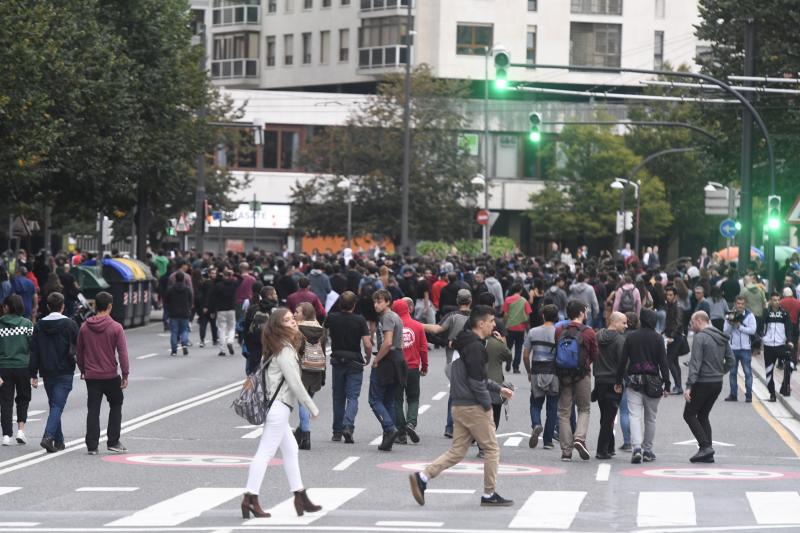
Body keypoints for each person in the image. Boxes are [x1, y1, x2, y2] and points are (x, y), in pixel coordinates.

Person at [408, 305, 514, 508]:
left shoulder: (463, 342)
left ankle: (423, 477)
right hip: (474, 406)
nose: (494, 325)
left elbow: (472, 376)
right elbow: (477, 381)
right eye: (491, 321)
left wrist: (498, 389)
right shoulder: (476, 347)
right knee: (492, 448)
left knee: (457, 451)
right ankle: (489, 493)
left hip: (458, 404)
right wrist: (487, 405)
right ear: (481, 323)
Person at [241, 308, 321, 519]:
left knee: (291, 449)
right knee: (265, 453)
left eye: (292, 318)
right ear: (279, 326)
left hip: (277, 407)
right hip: (279, 407)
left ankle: (300, 495)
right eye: (287, 320)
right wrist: (311, 408)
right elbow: (295, 382)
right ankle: (250, 497)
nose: (293, 321)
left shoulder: (276, 346)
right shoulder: (284, 350)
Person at [76, 291, 129, 454]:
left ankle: (92, 445)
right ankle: (113, 441)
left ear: (95, 306)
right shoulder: (116, 327)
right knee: (116, 403)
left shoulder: (85, 327)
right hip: (110, 375)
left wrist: (83, 370)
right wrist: (125, 374)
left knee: (93, 409)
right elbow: (122, 353)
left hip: (92, 376)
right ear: (110, 306)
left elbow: (79, 352)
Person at [615, 309, 670, 464]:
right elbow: (663, 362)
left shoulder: (631, 337)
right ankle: (647, 450)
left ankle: (637, 448)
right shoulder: (658, 338)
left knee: (634, 415)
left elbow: (623, 361)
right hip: (653, 382)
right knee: (650, 418)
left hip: (634, 381)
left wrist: (618, 381)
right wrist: (667, 383)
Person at [29, 292, 79, 453]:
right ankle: (48, 436)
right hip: (65, 370)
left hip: (47, 370)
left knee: (54, 404)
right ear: (63, 306)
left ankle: (59, 441)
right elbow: (79, 347)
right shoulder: (70, 324)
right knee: (57, 405)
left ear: (48, 306)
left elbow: (34, 351)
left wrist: (33, 373)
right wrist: (84, 368)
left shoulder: (39, 326)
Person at [683, 311, 732, 464]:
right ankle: (708, 454)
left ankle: (705, 447)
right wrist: (720, 372)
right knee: (703, 415)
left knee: (689, 414)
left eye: (692, 323)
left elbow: (695, 363)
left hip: (702, 382)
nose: (691, 326)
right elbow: (731, 360)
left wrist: (689, 386)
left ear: (699, 321)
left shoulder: (700, 337)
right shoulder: (722, 337)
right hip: (717, 383)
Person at [423, 289, 472, 438]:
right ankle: (469, 428)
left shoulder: (452, 316)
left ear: (457, 301)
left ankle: (450, 427)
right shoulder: (477, 317)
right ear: (470, 301)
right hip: (473, 357)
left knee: (454, 392)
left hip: (453, 358)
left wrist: (417, 325)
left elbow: (436, 329)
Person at [555, 300, 599, 462]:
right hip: (582, 374)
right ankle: (579, 438)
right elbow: (595, 355)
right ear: (581, 313)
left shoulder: (560, 329)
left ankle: (566, 451)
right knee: (584, 408)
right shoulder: (588, 332)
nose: (586, 313)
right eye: (585, 311)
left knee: (564, 412)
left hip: (563, 374)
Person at [325, 291, 371, 443]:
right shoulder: (360, 320)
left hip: (337, 359)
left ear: (339, 304)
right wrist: (368, 356)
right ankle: (348, 425)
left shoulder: (331, 318)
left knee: (338, 397)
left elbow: (322, 335)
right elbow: (367, 343)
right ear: (354, 305)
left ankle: (337, 431)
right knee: (352, 397)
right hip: (354, 361)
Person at [370, 289, 407, 451]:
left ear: (387, 302)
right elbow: (401, 341)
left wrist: (376, 360)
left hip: (387, 360)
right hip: (398, 358)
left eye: (379, 302)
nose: (375, 305)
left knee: (374, 399)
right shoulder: (396, 317)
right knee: (389, 400)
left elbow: (387, 342)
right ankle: (388, 439)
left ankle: (390, 428)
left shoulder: (387, 317)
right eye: (374, 302)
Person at [391, 298, 429, 445]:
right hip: (413, 367)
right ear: (408, 309)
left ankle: (401, 433)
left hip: (396, 368)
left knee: (397, 400)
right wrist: (424, 366)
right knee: (413, 398)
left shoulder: (393, 326)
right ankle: (411, 423)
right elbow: (423, 348)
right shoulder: (418, 326)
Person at [522, 304, 559, 450]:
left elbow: (526, 355)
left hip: (537, 371)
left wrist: (529, 371)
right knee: (552, 407)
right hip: (554, 372)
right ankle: (548, 441)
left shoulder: (533, 332)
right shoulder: (559, 332)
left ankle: (536, 424)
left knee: (535, 403)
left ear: (543, 316)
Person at [0, 294, 34, 446]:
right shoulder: (27, 324)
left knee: (5, 402)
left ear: (6, 307)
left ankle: (6, 435)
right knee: (23, 399)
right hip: (23, 367)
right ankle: (21, 430)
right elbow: (33, 347)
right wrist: (34, 370)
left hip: (4, 368)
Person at [594, 312, 627, 460]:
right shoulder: (620, 340)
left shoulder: (597, 336)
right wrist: (620, 381)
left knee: (605, 415)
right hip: (614, 381)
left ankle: (610, 446)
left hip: (599, 380)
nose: (626, 326)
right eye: (623, 323)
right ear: (615, 322)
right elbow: (623, 363)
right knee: (609, 416)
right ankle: (602, 450)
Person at [723, 296, 757, 402]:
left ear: (745, 304)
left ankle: (749, 395)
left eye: (742, 304)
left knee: (747, 372)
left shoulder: (750, 315)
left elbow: (752, 330)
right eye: (738, 303)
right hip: (733, 348)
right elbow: (725, 332)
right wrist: (730, 324)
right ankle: (733, 394)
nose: (740, 306)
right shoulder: (729, 315)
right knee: (732, 372)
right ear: (735, 304)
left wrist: (739, 327)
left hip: (746, 348)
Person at [762, 292, 794, 401]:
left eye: (778, 300)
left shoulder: (784, 314)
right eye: (774, 300)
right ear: (770, 301)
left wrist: (789, 341)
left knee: (791, 365)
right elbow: (761, 325)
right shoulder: (767, 313)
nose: (776, 302)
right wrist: (762, 338)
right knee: (768, 372)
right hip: (768, 346)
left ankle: (785, 386)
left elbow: (789, 328)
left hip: (781, 345)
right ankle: (772, 394)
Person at [501, 283, 531, 374]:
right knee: (518, 348)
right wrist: (528, 329)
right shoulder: (524, 301)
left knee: (509, 347)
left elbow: (505, 314)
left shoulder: (508, 300)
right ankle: (516, 367)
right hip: (521, 329)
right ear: (520, 291)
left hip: (510, 327)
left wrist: (504, 325)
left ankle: (508, 361)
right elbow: (528, 316)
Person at [164, 271, 193, 357]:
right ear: (183, 279)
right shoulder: (187, 289)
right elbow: (190, 300)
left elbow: (166, 300)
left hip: (173, 313)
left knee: (174, 332)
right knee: (184, 330)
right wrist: (189, 308)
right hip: (184, 312)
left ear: (175, 278)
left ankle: (174, 351)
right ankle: (184, 343)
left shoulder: (170, 289)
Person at [211, 268, 238, 357]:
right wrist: (234, 273)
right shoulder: (234, 284)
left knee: (221, 329)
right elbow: (241, 279)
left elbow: (213, 298)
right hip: (231, 308)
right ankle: (230, 340)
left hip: (221, 309)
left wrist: (213, 310)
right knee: (232, 328)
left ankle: (222, 350)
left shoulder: (218, 285)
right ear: (230, 275)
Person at [197, 266, 219, 348]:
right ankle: (213, 340)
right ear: (209, 274)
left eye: (215, 273)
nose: (214, 275)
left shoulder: (205, 282)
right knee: (210, 324)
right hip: (209, 308)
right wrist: (206, 306)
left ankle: (205, 340)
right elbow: (208, 296)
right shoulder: (209, 283)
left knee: (206, 324)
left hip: (206, 307)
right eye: (212, 273)